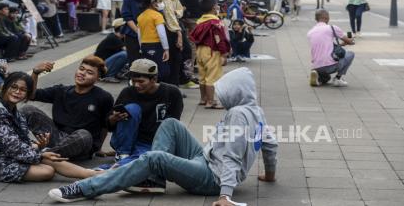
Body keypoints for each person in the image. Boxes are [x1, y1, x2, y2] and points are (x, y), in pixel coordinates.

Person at [48, 67, 278, 204]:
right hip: (207, 159)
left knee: (154, 157)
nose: (221, 97)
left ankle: (86, 188)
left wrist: (225, 195)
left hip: (213, 179)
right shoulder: (257, 111)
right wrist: (270, 175)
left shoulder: (237, 115)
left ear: (236, 93)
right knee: (170, 124)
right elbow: (270, 145)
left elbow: (231, 156)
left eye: (224, 93)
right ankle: (155, 179)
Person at [0, 72, 99, 183]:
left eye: (22, 90)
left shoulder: (12, 109)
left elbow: (20, 141)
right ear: (5, 88)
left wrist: (38, 146)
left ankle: (91, 174)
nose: (17, 92)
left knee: (47, 158)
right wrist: (40, 154)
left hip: (7, 154)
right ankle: (91, 174)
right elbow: (13, 146)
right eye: (14, 87)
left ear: (27, 95)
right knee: (47, 171)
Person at [96, 58, 183, 171]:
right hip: (125, 140)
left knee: (145, 158)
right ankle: (123, 154)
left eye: (141, 82)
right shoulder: (127, 92)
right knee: (132, 108)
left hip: (153, 142)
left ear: (154, 79)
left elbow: (173, 125)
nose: (136, 85)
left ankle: (110, 169)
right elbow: (109, 125)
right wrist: (114, 118)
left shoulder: (172, 93)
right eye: (133, 81)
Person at [20, 56, 114, 160]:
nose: (82, 73)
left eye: (89, 72)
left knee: (84, 135)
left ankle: (37, 154)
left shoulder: (104, 97)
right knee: (27, 110)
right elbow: (31, 95)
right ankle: (20, 148)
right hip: (57, 137)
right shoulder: (61, 91)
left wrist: (98, 148)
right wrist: (35, 72)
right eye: (81, 69)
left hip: (81, 144)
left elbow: (104, 125)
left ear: (98, 78)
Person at [190, 0, 230, 109]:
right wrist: (224, 53)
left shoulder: (200, 20)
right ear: (213, 8)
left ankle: (203, 99)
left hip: (200, 50)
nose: (218, 6)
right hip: (212, 50)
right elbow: (219, 39)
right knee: (212, 77)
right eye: (217, 5)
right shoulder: (215, 22)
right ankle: (211, 101)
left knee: (202, 76)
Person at [308, 9, 355, 87]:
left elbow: (325, 46)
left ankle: (318, 77)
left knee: (326, 79)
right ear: (326, 18)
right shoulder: (332, 28)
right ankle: (337, 79)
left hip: (316, 66)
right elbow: (349, 41)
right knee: (350, 54)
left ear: (316, 19)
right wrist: (351, 39)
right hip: (330, 66)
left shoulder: (310, 32)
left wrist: (341, 45)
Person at [154, 0, 184, 87]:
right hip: (170, 30)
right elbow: (170, 16)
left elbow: (179, 9)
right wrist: (179, 33)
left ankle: (173, 87)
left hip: (172, 28)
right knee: (174, 60)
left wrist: (177, 13)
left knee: (174, 60)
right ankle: (172, 88)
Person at [121, 0, 153, 65]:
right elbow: (127, 16)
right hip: (132, 33)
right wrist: (138, 31)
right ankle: (134, 79)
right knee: (134, 60)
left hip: (151, 33)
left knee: (150, 60)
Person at [137, 0, 170, 82]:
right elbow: (162, 34)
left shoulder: (140, 16)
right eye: (158, 1)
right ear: (152, 2)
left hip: (144, 46)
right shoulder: (157, 15)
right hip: (156, 46)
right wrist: (166, 49)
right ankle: (158, 89)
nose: (160, 3)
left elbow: (139, 34)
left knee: (148, 70)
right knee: (162, 71)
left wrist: (141, 47)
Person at [94, 18, 127, 83]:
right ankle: (109, 76)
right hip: (100, 67)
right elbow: (128, 51)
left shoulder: (121, 38)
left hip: (106, 63)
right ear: (121, 28)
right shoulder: (113, 38)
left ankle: (117, 73)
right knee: (125, 54)